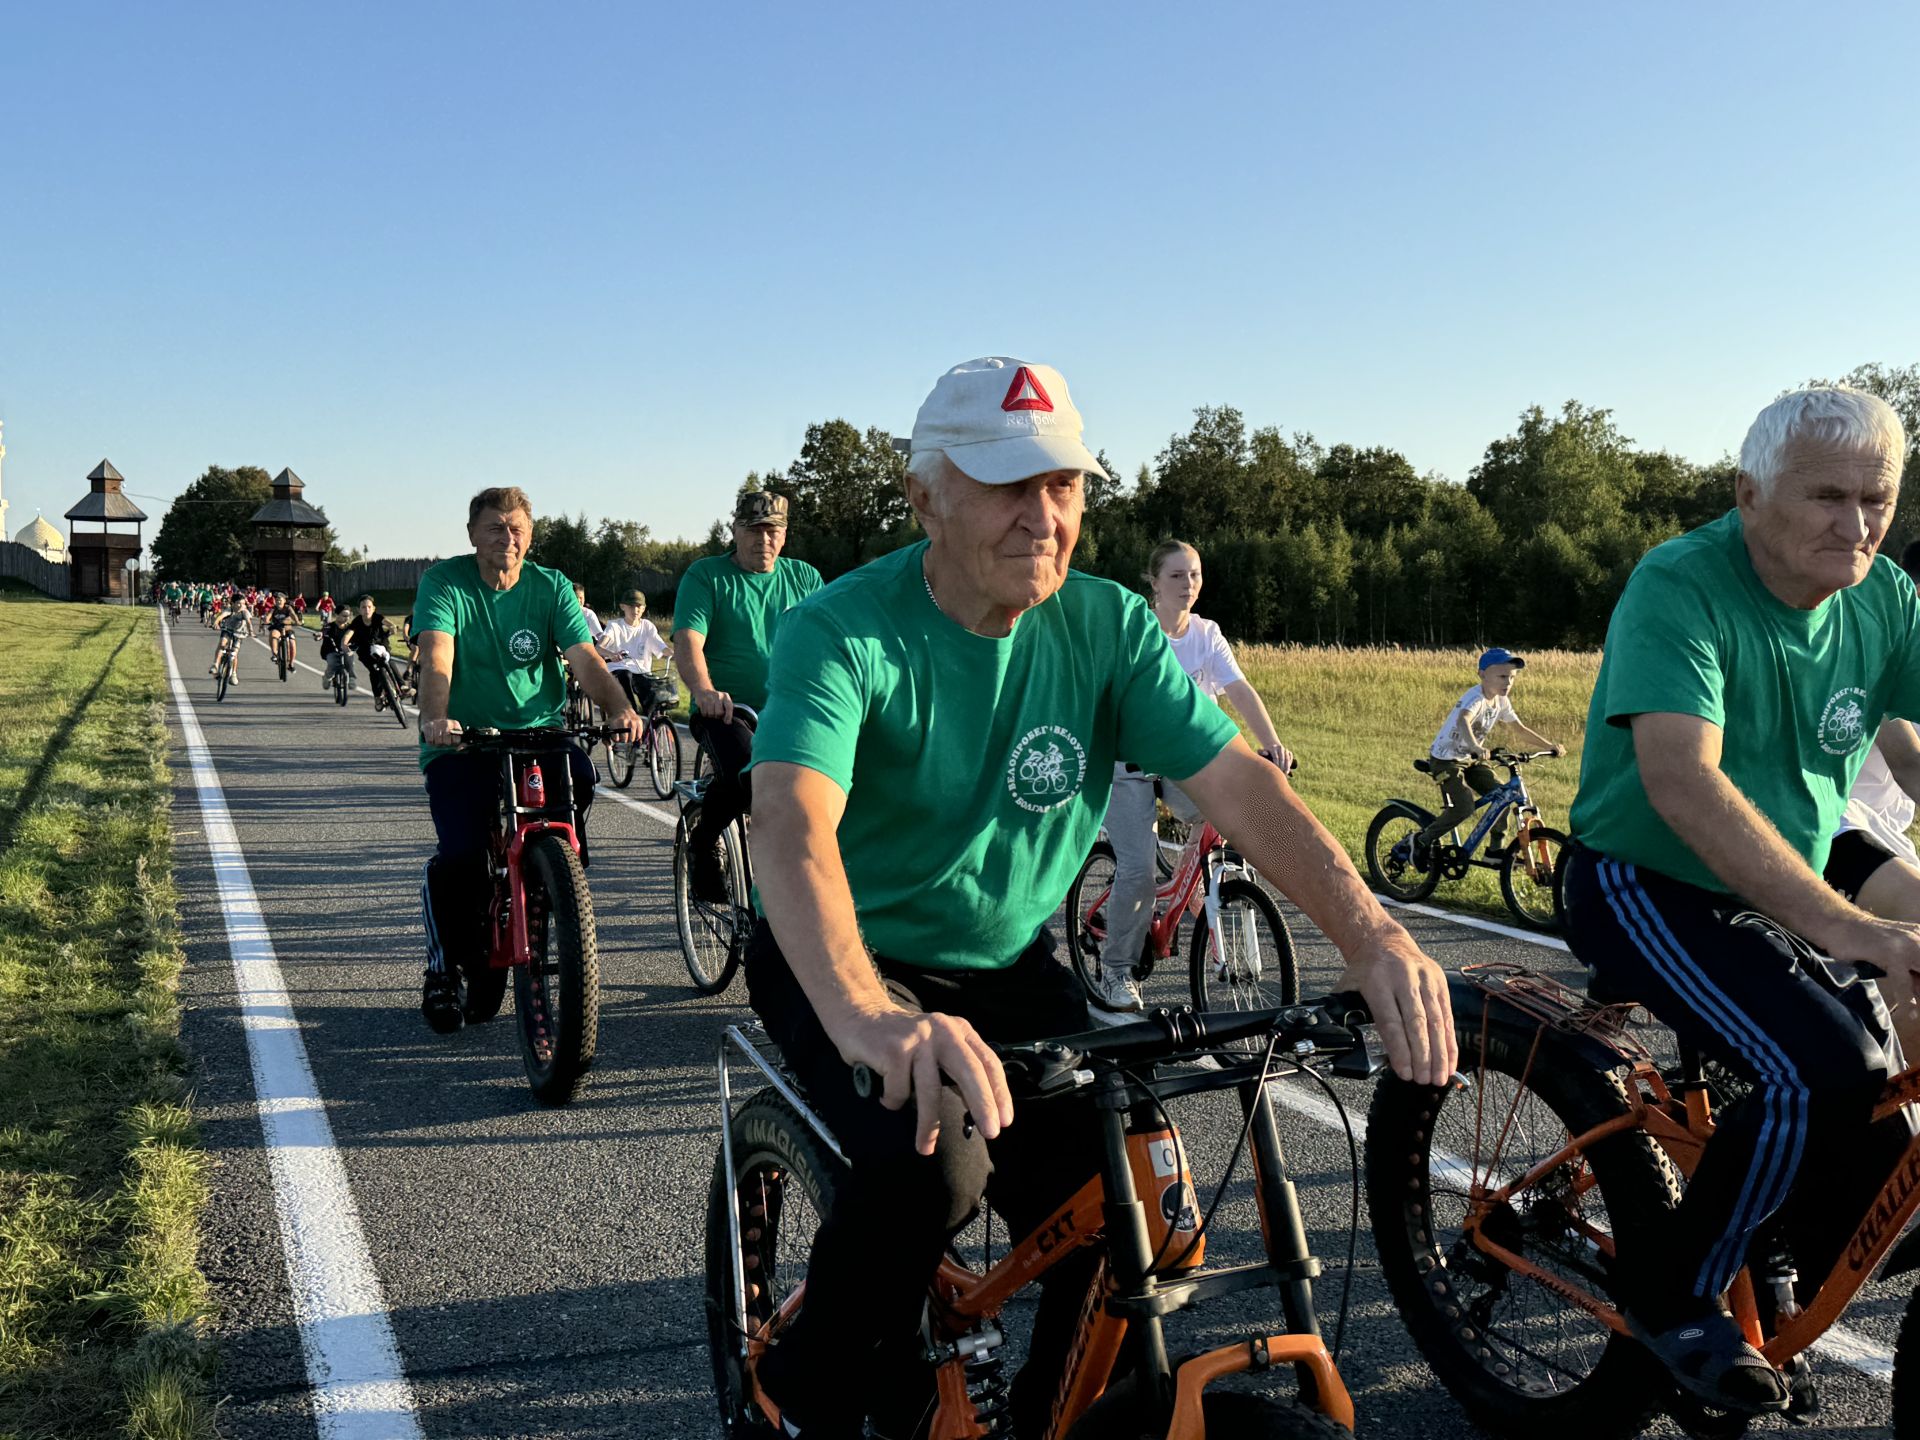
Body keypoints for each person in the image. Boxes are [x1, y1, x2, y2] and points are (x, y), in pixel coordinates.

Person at [744, 356, 1456, 1439]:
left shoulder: (1109, 626)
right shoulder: (842, 632)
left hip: (1005, 961)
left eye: (1064, 485)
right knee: (932, 1168)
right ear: (926, 494)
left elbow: (1238, 787)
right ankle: (803, 1395)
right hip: (853, 956)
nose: (1043, 516)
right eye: (1005, 484)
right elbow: (793, 829)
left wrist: (1371, 932)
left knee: (1143, 1211)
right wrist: (872, 1016)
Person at [1562, 387, 1920, 1415]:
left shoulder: (1883, 598)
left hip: (1781, 879)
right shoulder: (1681, 584)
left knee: (1872, 1097)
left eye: (1876, 498)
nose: (1856, 524)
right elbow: (1683, 783)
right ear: (1749, 494)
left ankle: (1778, 1255)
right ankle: (1674, 1294)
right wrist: (1848, 925)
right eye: (1827, 497)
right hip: (1645, 879)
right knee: (1820, 1070)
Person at [412, 487, 644, 1033]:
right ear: (473, 534)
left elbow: (584, 658)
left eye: (516, 528)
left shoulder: (551, 586)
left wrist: (619, 707)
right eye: (495, 527)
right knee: (463, 853)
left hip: (538, 731)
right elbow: (437, 657)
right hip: (464, 738)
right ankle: (444, 970)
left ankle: (558, 877)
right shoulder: (445, 583)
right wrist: (437, 718)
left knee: (582, 776)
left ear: (530, 535)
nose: (506, 538)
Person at [1091, 539, 1296, 1012]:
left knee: (1225, 815)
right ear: (1155, 583)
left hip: (1184, 761)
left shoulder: (1207, 634)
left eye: (1195, 574)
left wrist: (1272, 743)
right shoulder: (1137, 630)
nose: (1188, 585)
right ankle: (1116, 971)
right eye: (1177, 576)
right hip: (1131, 764)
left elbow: (1238, 688)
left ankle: (1202, 893)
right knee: (1139, 872)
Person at [672, 490, 822, 900]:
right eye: (753, 530)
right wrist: (703, 690)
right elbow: (688, 640)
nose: (764, 539)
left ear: (785, 534)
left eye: (773, 530)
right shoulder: (707, 576)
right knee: (746, 773)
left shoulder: (804, 578)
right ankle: (703, 844)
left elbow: (827, 641)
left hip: (791, 708)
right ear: (734, 531)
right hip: (727, 709)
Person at [1413, 647, 1564, 864]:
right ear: (1482, 674)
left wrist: (1550, 746)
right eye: (1502, 676)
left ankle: (1494, 852)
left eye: (1512, 677)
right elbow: (1463, 720)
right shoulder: (1476, 697)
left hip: (1472, 759)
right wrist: (1475, 746)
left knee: (1501, 796)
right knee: (1463, 807)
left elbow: (1519, 729)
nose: (1508, 682)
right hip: (1447, 760)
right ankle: (1421, 842)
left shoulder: (1501, 701)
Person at [596, 589, 672, 712]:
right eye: (631, 606)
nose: (635, 610)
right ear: (622, 607)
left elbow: (661, 647)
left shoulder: (647, 626)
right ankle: (630, 712)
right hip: (619, 670)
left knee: (655, 700)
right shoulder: (615, 626)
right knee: (626, 676)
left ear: (644, 608)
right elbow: (598, 648)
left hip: (641, 671)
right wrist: (611, 654)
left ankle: (656, 725)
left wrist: (674, 653)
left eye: (638, 606)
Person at [208, 600, 252, 683]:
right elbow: (221, 616)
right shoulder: (229, 610)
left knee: (234, 653)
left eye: (243, 604)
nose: (241, 605)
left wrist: (251, 631)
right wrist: (216, 623)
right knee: (222, 644)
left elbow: (249, 622)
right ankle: (215, 665)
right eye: (239, 603)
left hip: (239, 633)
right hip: (227, 630)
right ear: (233, 604)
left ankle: (234, 674)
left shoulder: (245, 612)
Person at [266, 592, 299, 675]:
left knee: (292, 643)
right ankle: (275, 654)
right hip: (277, 628)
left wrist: (297, 621)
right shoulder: (273, 609)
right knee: (273, 634)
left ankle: (291, 664)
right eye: (277, 600)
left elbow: (293, 615)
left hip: (287, 629)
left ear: (284, 601)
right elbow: (268, 616)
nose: (278, 601)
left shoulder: (288, 608)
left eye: (280, 600)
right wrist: (266, 621)